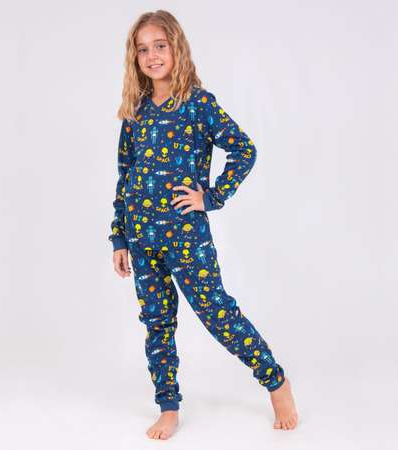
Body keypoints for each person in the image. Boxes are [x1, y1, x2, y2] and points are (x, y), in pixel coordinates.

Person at [108, 9, 298, 440]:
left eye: (160, 46)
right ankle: (168, 407)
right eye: (143, 49)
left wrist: (210, 197)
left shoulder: (198, 104)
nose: (152, 56)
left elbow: (244, 150)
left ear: (176, 48)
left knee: (217, 314)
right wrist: (119, 236)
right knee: (157, 323)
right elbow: (125, 174)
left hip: (185, 236)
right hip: (140, 238)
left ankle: (276, 382)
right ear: (134, 58)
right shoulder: (136, 110)